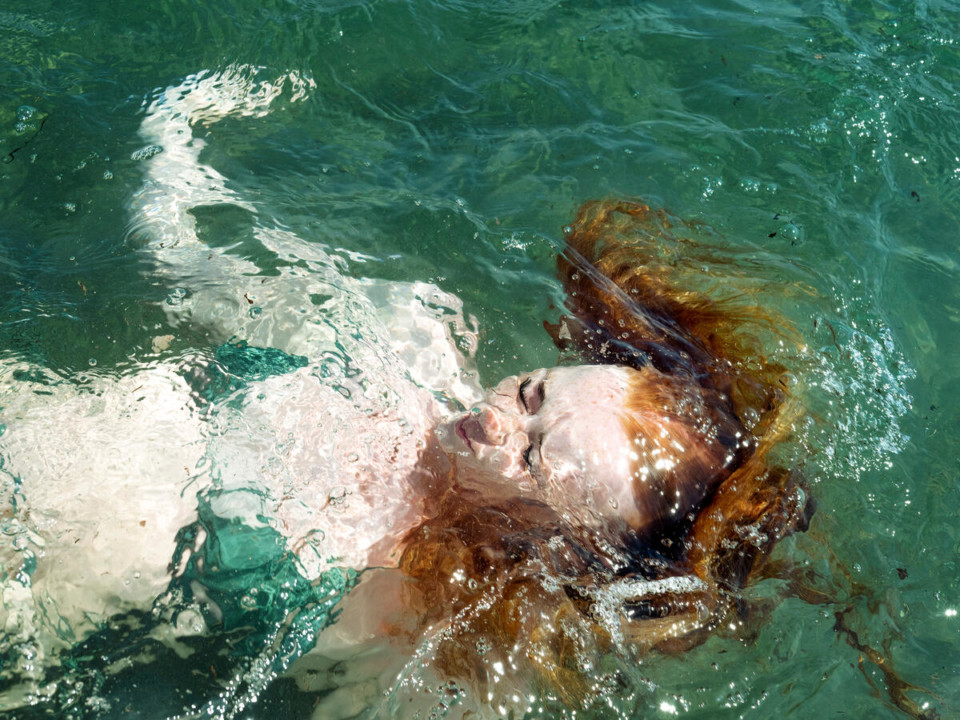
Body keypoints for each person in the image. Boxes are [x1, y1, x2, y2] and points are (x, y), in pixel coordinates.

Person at [0, 67, 810, 719]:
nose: (492, 423)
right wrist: (167, 155)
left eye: (531, 459)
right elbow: (213, 277)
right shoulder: (417, 335)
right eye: (531, 395)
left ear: (564, 549)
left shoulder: (423, 629)